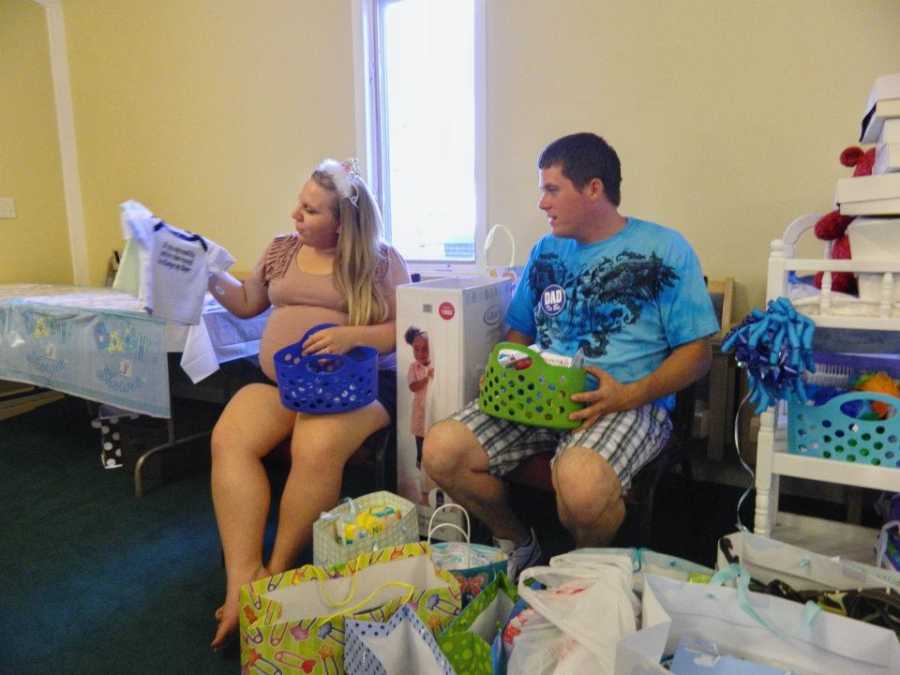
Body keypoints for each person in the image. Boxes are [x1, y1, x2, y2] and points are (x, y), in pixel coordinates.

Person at [422, 133, 718, 581]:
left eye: (551, 189)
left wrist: (627, 395)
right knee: (442, 451)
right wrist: (505, 371)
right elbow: (519, 330)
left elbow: (697, 354)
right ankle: (519, 543)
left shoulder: (665, 248)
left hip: (624, 400)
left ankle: (580, 571)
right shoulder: (546, 250)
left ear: (593, 189)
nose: (542, 203)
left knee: (581, 485)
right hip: (537, 395)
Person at [206, 159, 410, 649]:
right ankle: (242, 579)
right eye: (299, 204)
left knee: (315, 445)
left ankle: (275, 576)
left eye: (310, 210)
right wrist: (206, 273)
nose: (295, 215)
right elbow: (247, 302)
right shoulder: (281, 250)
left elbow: (406, 330)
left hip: (355, 389)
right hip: (284, 385)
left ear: (343, 222)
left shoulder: (382, 261)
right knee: (229, 437)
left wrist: (351, 335)